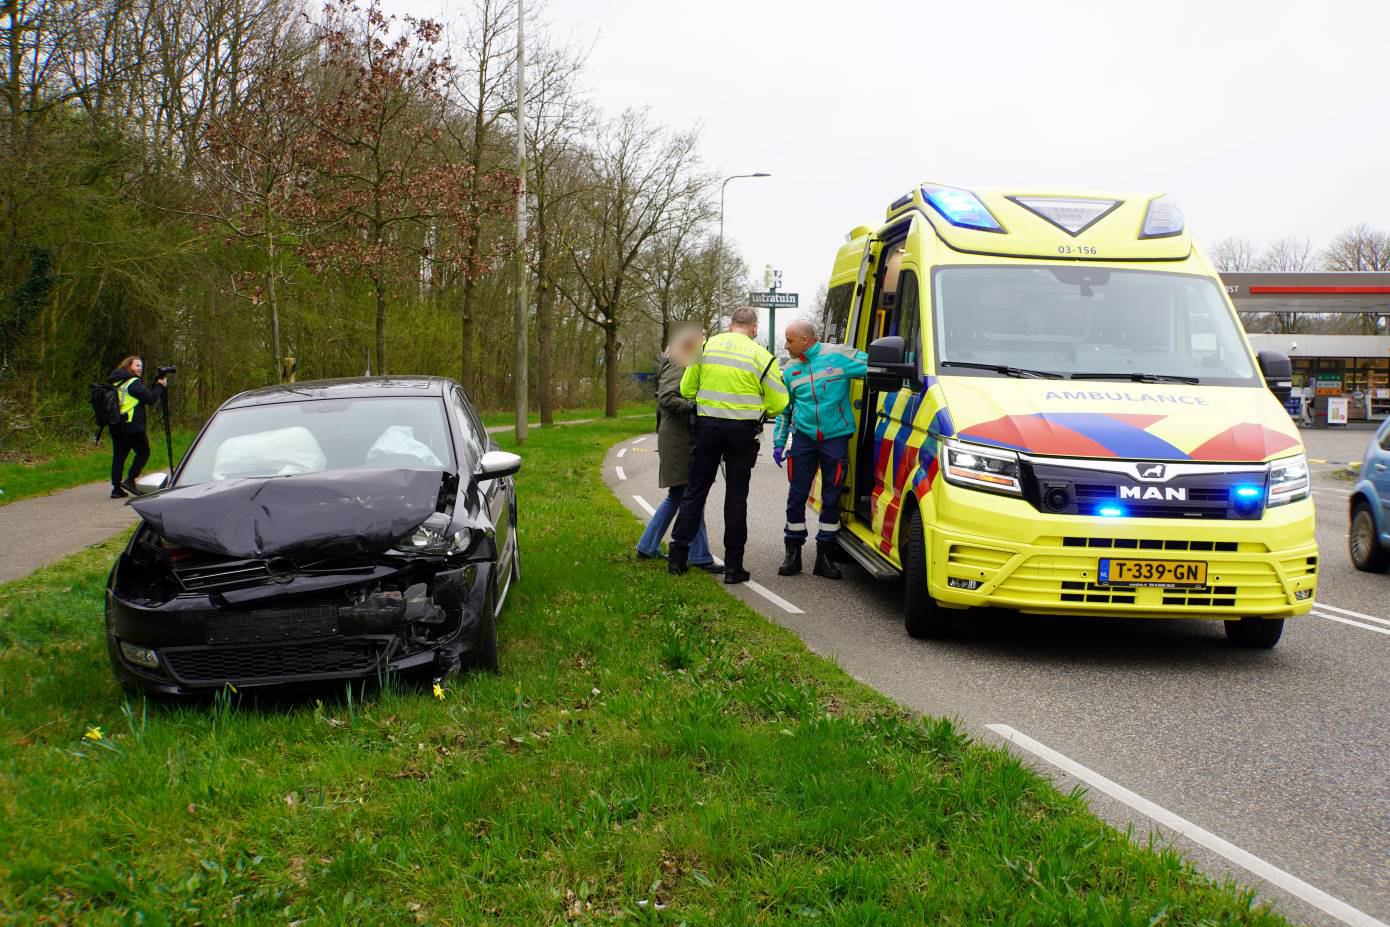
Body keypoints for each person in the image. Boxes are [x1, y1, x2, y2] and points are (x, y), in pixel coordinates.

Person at [668, 306, 788, 584]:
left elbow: (686, 390)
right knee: (736, 498)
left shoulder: (706, 347)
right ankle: (734, 567)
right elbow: (780, 403)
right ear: (755, 328)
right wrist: (761, 409)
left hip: (707, 428)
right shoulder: (763, 356)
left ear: (730, 324)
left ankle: (676, 559)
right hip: (742, 433)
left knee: (695, 491)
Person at [771, 320, 868, 579]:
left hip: (835, 439)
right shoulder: (790, 370)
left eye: (790, 340)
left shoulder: (837, 356)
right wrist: (779, 442)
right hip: (803, 439)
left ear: (806, 339)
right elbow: (785, 409)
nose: (786, 345)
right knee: (796, 496)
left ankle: (825, 557)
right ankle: (793, 554)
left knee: (832, 497)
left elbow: (878, 364)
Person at [635, 324, 722, 572]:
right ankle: (699, 555)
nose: (706, 345)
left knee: (680, 496)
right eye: (703, 340)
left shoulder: (684, 362)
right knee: (690, 496)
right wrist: (697, 405)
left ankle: (648, 546)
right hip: (678, 439)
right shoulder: (678, 364)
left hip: (680, 436)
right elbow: (668, 398)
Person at [107, 356, 167, 498]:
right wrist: (160, 386)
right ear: (129, 367)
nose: (140, 368)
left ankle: (116, 489)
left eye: (141, 366)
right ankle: (130, 480)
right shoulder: (133, 382)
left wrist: (154, 386)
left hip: (116, 425)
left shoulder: (117, 382)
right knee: (144, 452)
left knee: (119, 456)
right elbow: (151, 399)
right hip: (132, 425)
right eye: (136, 366)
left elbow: (143, 396)